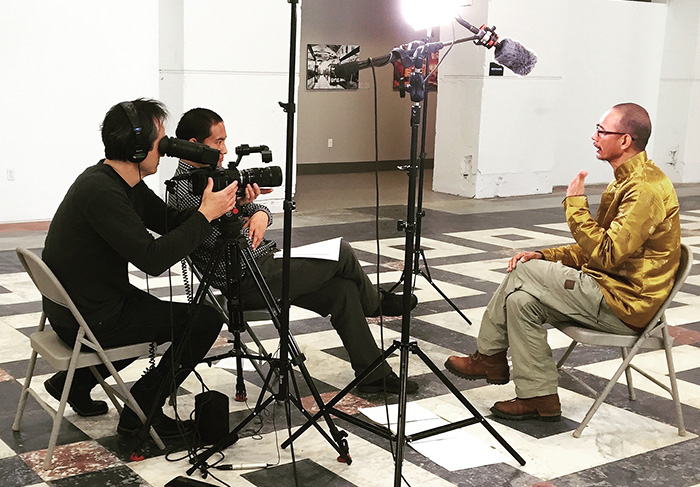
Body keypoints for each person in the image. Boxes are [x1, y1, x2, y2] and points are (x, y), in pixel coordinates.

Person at [444, 103, 681, 421]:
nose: (594, 136)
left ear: (625, 140)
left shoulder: (644, 190)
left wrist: (575, 205)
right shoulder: (626, 181)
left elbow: (606, 254)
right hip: (609, 288)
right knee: (521, 300)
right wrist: (547, 255)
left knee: (524, 272)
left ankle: (487, 356)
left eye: (602, 130)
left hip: (624, 304)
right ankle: (539, 398)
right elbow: (597, 247)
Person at [169, 107, 419, 394]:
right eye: (218, 142)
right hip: (246, 280)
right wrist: (236, 207)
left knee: (343, 292)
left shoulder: (214, 174)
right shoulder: (185, 188)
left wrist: (259, 212)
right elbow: (213, 238)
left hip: (263, 266)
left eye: (225, 141)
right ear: (193, 143)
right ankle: (376, 304)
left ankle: (372, 374)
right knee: (343, 252)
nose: (224, 149)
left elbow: (257, 207)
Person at [41, 98, 240, 438]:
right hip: (90, 317)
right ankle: (141, 412)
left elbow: (168, 221)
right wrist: (205, 215)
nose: (165, 149)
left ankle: (73, 384)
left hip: (82, 303)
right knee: (204, 320)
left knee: (158, 315)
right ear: (137, 149)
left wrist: (220, 207)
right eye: (160, 140)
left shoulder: (112, 181)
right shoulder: (105, 193)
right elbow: (153, 259)